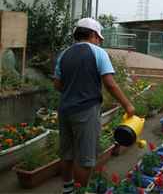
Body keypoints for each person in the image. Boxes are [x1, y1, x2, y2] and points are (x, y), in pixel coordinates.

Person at [54, 18, 135, 194]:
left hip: (65, 110)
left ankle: (67, 189)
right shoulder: (98, 53)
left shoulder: (64, 54)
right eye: (98, 37)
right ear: (92, 35)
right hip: (86, 111)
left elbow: (58, 85)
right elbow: (110, 83)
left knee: (67, 153)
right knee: (85, 158)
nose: (99, 41)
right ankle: (81, 191)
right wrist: (128, 105)